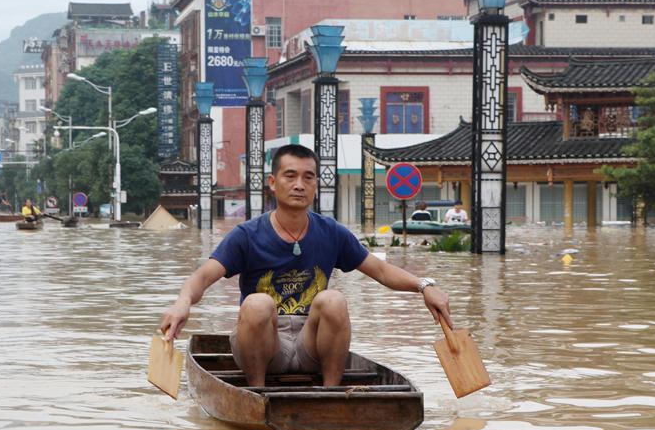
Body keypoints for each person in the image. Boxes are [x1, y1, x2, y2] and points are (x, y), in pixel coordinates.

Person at [159, 144, 453, 388]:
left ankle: (331, 395)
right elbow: (202, 276)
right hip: (264, 345)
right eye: (290, 176)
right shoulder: (247, 235)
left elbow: (380, 270)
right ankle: (256, 394)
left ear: (316, 184)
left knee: (333, 299)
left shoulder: (332, 232)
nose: (299, 185)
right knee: (258, 303)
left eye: (308, 177)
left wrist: (424, 286)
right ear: (273, 183)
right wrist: (182, 302)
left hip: (311, 343)